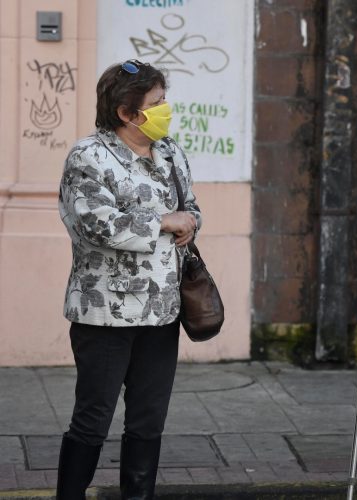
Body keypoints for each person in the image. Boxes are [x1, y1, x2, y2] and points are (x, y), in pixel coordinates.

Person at [56, 60, 200, 499]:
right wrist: (164, 221)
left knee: (148, 419)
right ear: (126, 112)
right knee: (93, 418)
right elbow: (95, 225)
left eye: (163, 100)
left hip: (162, 310)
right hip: (105, 314)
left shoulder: (169, 151)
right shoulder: (89, 156)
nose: (165, 109)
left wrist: (190, 220)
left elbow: (191, 208)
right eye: (156, 103)